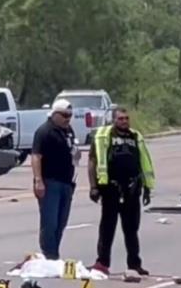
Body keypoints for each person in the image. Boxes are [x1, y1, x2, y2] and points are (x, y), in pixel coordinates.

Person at [88, 107, 155, 276]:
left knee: (131, 229)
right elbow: (92, 162)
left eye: (126, 118)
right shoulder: (104, 136)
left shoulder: (135, 136)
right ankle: (102, 263)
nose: (124, 121)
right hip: (110, 188)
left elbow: (144, 162)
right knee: (107, 228)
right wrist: (94, 187)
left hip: (132, 189)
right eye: (120, 119)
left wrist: (147, 188)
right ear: (113, 120)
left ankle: (134, 264)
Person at [31, 99, 79, 259]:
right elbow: (36, 156)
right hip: (49, 182)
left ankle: (55, 252)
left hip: (66, 182)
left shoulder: (68, 130)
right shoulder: (45, 131)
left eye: (70, 116)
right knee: (50, 222)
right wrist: (38, 180)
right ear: (55, 114)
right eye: (65, 115)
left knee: (61, 222)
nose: (68, 119)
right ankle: (49, 254)